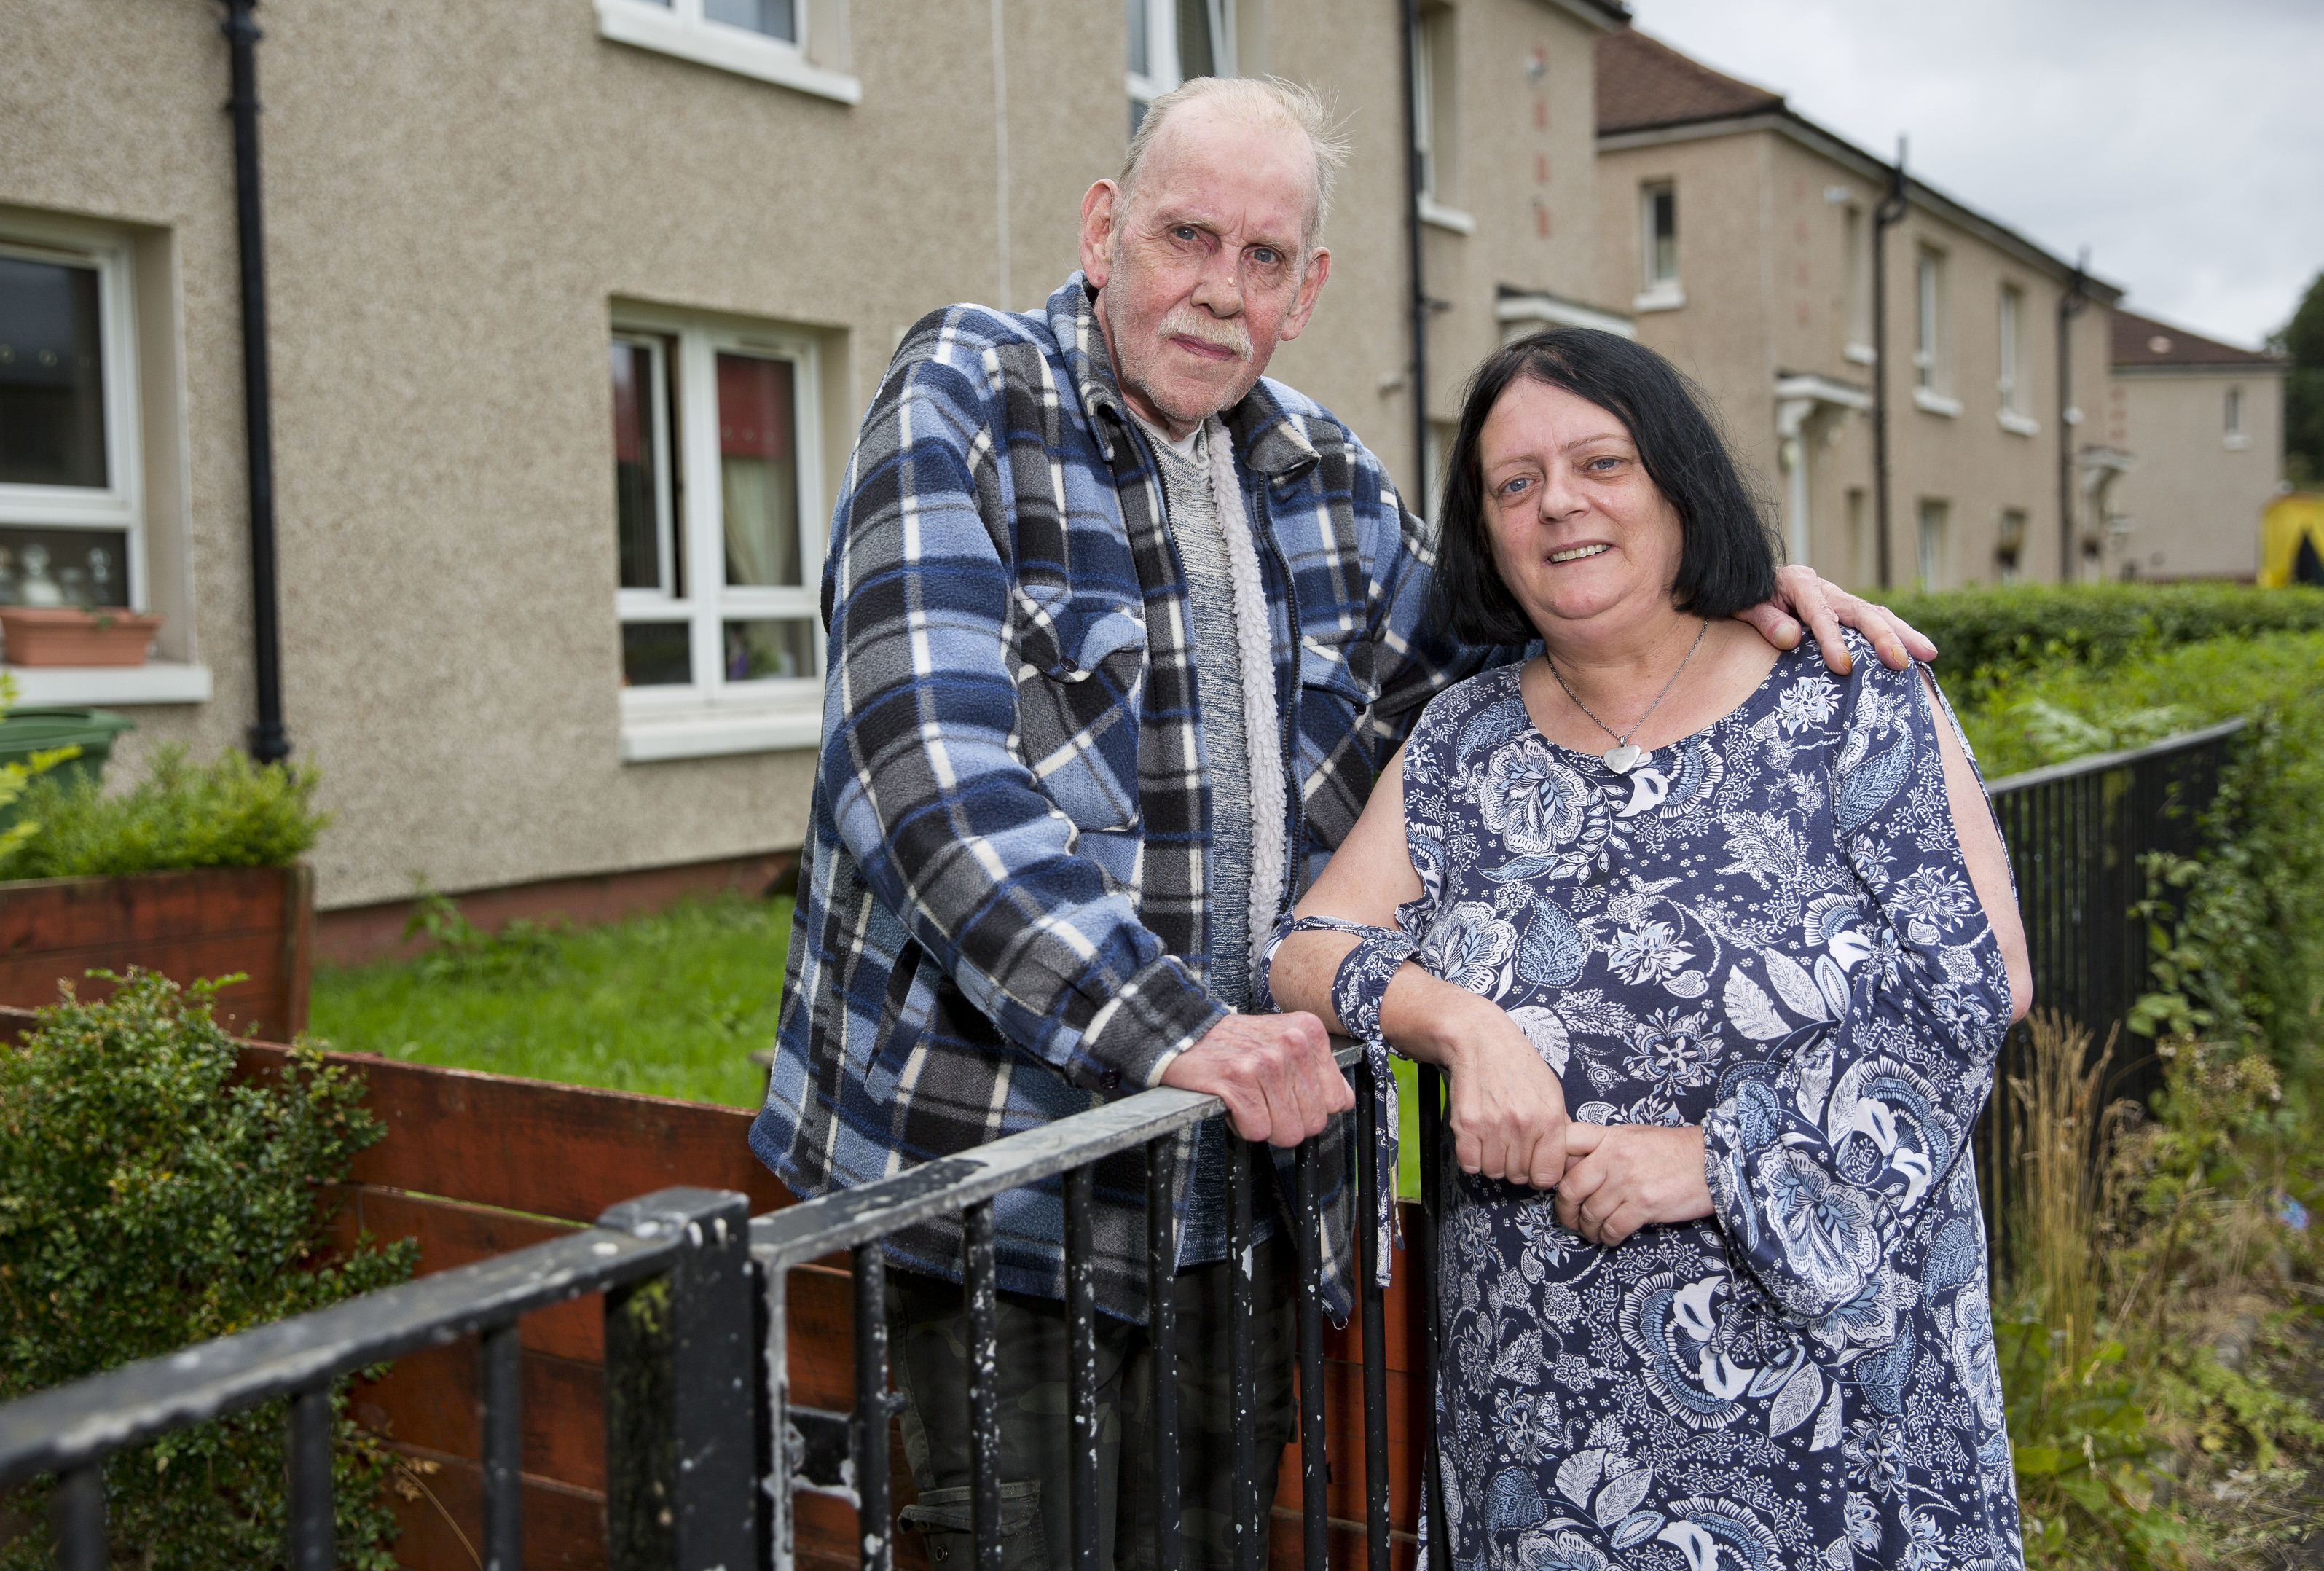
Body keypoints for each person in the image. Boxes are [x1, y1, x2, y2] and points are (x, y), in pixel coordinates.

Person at [751, 76, 1936, 1571]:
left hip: (1235, 1196)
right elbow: (921, 774)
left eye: (1261, 259)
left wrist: (1728, 602)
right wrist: (1179, 1029)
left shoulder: (1322, 476)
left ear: (1306, 289)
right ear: (1103, 229)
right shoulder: (965, 393)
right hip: (1011, 1191)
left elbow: (1513, 672)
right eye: (1185, 236)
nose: (1215, 290)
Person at [1263, 329, 2032, 1570]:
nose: (1557, 502)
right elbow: (1306, 946)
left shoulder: (1844, 691)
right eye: (1514, 484)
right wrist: (1461, 1024)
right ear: (1486, 533)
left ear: (1676, 481)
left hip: (1840, 1411)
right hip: (1551, 1436)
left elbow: (1974, 982)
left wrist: (1727, 1162)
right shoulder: (1460, 745)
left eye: (1599, 462)